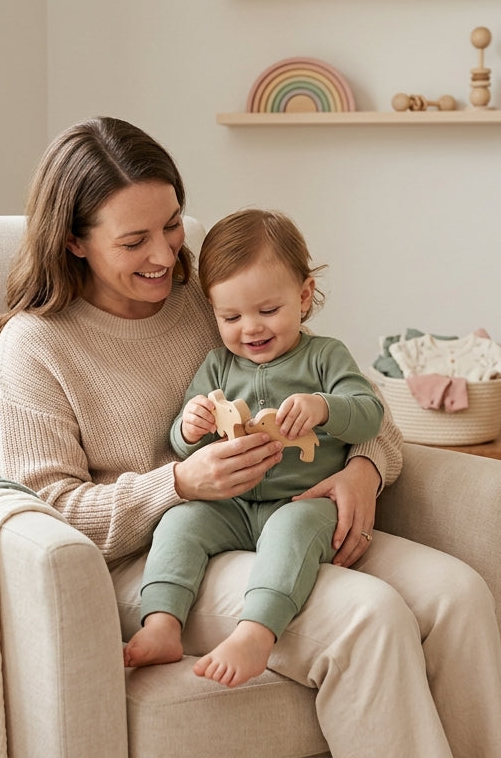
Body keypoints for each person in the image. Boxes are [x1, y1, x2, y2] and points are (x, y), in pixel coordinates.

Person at [0, 116, 501, 758]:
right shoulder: (36, 345)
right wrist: (179, 483)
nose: (165, 257)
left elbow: (357, 403)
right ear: (74, 241)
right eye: (134, 241)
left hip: (290, 510)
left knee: (458, 595)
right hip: (158, 558)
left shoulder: (208, 294)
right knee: (368, 616)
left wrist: (363, 472)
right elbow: (46, 512)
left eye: (172, 225)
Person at [124, 208, 384, 687]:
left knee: (290, 530)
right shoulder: (217, 365)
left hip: (304, 502)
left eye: (268, 311)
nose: (251, 329)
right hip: (232, 505)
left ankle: (256, 633)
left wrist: (324, 407)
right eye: (231, 317)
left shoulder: (324, 356)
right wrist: (190, 427)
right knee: (179, 522)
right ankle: (161, 623)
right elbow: (181, 445)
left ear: (303, 296)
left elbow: (371, 412)